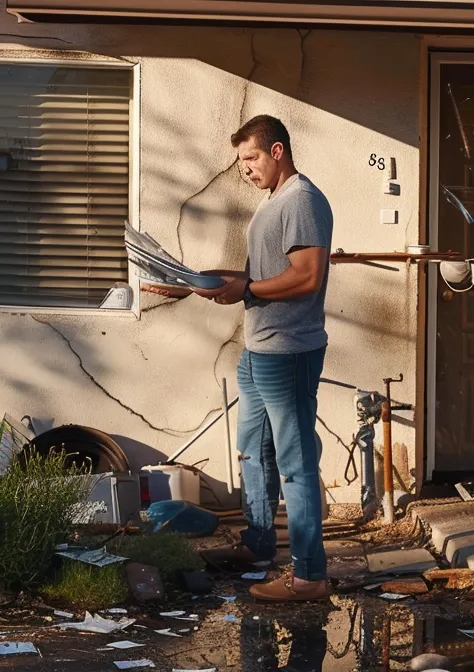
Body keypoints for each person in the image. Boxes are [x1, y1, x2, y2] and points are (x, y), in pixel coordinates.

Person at [154, 114, 335, 601]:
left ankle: (309, 576)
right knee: (253, 452)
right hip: (257, 351)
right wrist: (194, 281)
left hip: (288, 353)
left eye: (251, 158)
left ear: (277, 152)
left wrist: (247, 288)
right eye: (241, 162)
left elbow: (307, 276)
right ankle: (258, 545)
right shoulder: (273, 202)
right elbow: (258, 275)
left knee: (295, 464)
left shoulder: (303, 201)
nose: (246, 169)